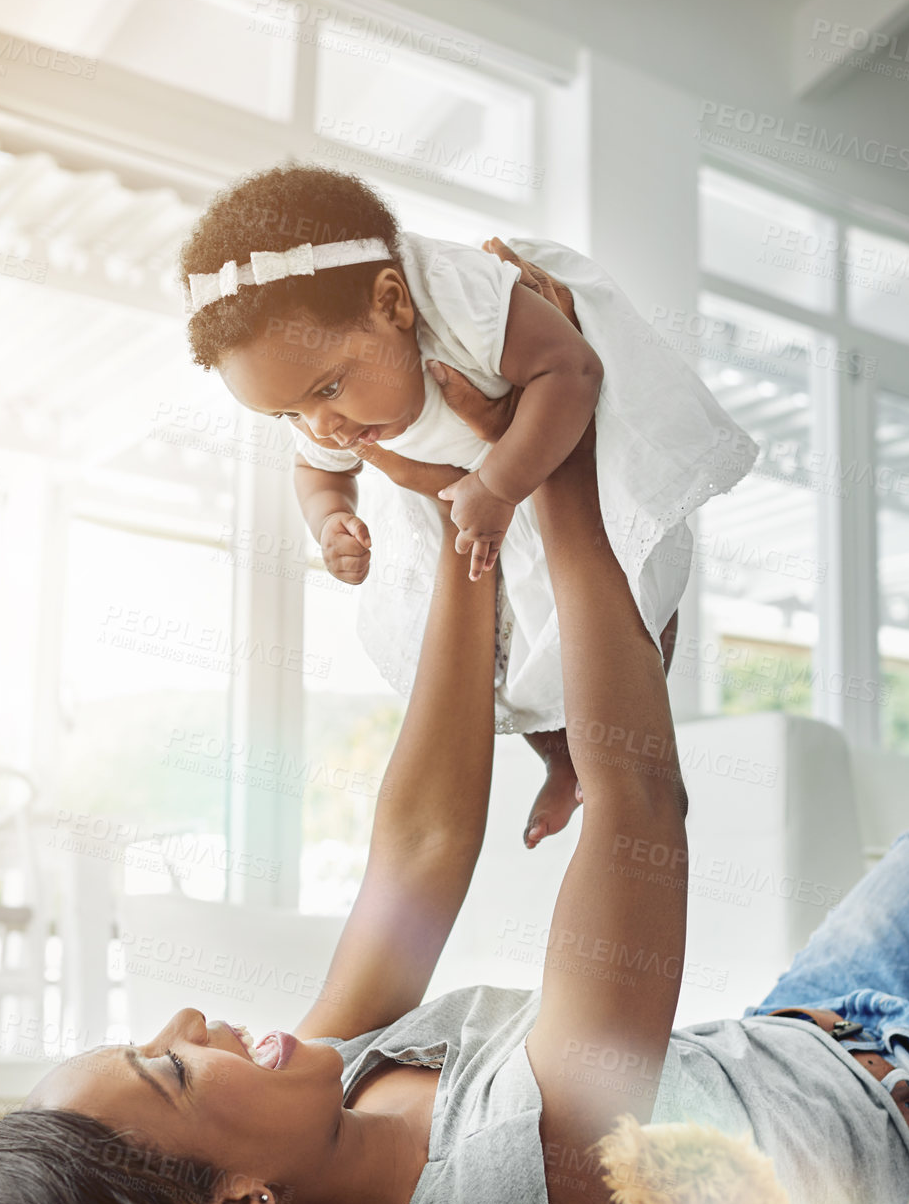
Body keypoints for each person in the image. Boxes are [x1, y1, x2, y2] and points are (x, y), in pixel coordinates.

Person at [0, 253, 909, 1204]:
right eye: (170, 1065)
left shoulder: (322, 1102)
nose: (192, 1020)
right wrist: (558, 463)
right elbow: (639, 808)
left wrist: (463, 513)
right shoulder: (521, 1189)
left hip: (808, 1018)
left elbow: (424, 847)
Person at [179, 163, 758, 846]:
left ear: (393, 303)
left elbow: (570, 370)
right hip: (468, 495)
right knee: (506, 661)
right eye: (288, 414)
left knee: (627, 609)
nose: (321, 427)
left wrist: (499, 485)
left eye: (330, 387)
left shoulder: (462, 298)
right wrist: (329, 517)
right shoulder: (322, 416)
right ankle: (561, 760)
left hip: (561, 441)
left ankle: (634, 766)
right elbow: (316, 472)